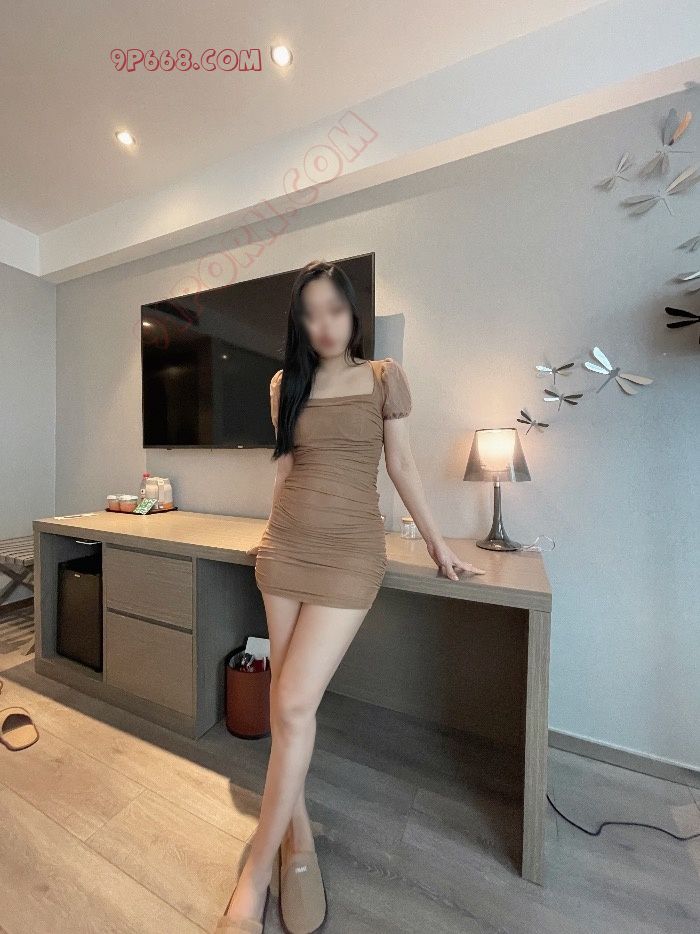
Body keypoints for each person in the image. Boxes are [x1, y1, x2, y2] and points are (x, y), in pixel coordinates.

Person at [215, 260, 484, 933]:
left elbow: (402, 465)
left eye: (334, 310)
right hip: (286, 547)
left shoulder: (383, 377)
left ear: (352, 313)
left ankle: (255, 871)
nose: (324, 325)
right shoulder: (285, 385)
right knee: (287, 710)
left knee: (293, 703)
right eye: (310, 314)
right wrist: (267, 536)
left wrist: (438, 545)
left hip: (350, 554)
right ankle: (297, 840)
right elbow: (284, 469)